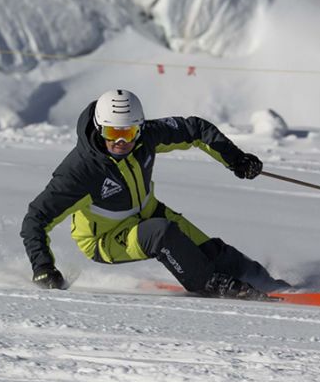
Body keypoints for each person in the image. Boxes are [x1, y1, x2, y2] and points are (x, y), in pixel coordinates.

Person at [20, 89, 289, 299]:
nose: (121, 142)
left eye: (128, 133)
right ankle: (208, 282)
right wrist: (43, 267)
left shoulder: (146, 138)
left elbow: (195, 128)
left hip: (149, 213)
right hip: (106, 239)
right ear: (100, 128)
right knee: (162, 234)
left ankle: (272, 286)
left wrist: (236, 159)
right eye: (113, 133)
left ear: (140, 128)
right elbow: (36, 218)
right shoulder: (80, 171)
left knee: (214, 252)